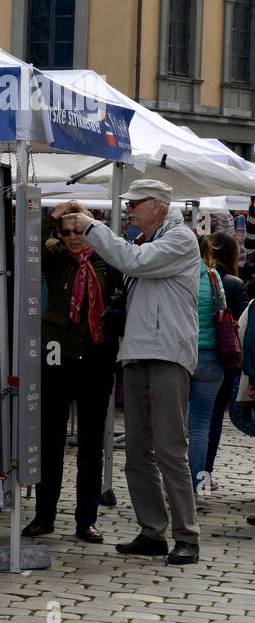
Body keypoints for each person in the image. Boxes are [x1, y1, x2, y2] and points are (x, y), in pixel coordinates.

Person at [69, 179, 201, 564]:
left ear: (158, 205)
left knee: (169, 449)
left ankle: (187, 536)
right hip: (138, 352)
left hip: (167, 354)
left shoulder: (180, 238)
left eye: (135, 203)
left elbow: (132, 262)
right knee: (138, 453)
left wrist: (92, 227)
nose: (129, 210)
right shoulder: (149, 241)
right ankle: (152, 531)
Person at [24, 202, 117, 543]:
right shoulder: (54, 259)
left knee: (92, 444)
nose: (73, 237)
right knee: (50, 439)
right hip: (56, 355)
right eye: (66, 232)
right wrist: (51, 217)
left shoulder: (109, 259)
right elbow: (26, 248)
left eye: (79, 229)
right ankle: (44, 514)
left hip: (96, 356)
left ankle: (86, 519)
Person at [206, 231, 248, 487]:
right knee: (211, 421)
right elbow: (243, 326)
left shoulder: (197, 278)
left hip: (193, 354)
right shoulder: (233, 283)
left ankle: (185, 480)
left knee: (192, 420)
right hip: (223, 358)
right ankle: (203, 477)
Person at [187, 233, 227, 494]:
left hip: (183, 355)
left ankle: (177, 488)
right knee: (202, 426)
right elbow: (222, 309)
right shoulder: (213, 276)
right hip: (212, 358)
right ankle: (198, 488)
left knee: (176, 427)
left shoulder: (177, 276)